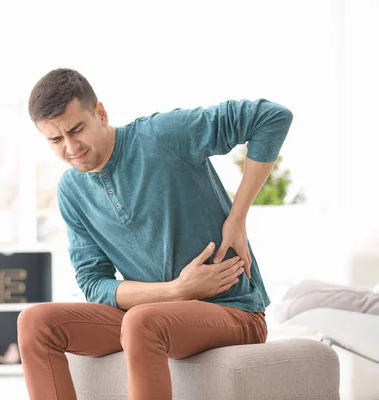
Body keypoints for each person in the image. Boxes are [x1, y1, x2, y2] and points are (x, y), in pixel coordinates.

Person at [17, 68, 293, 400]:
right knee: (35, 322)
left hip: (233, 310)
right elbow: (94, 284)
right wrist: (177, 290)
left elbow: (270, 117)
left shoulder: (162, 135)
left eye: (77, 129)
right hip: (153, 317)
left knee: (141, 322)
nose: (71, 147)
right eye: (56, 140)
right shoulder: (72, 191)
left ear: (101, 113)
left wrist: (238, 216)